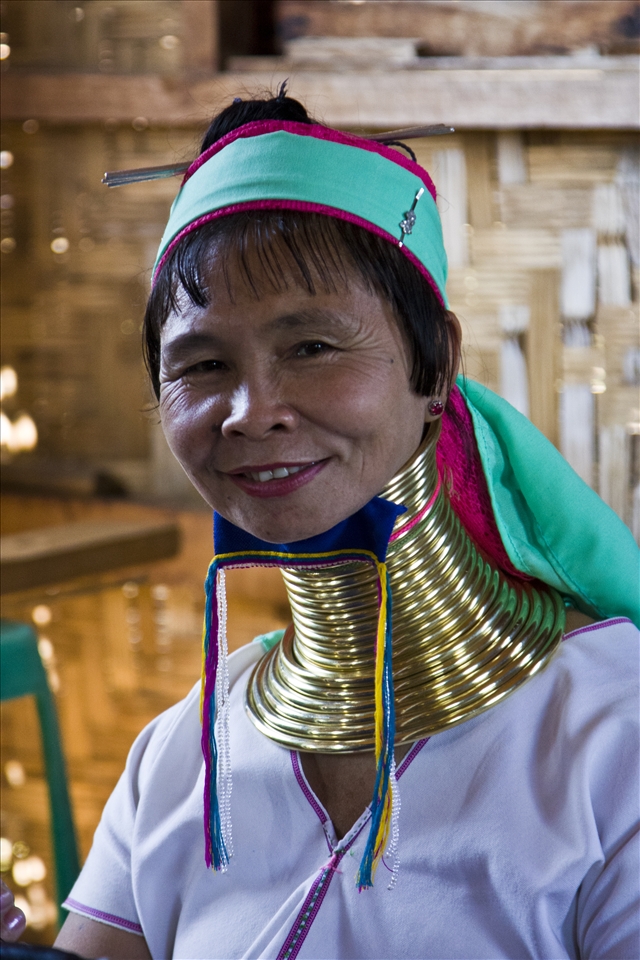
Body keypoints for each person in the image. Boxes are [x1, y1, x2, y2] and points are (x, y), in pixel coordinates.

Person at [3, 88, 636, 959]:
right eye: (203, 364)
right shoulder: (183, 755)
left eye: (311, 348)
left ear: (435, 363)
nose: (250, 412)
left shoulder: (612, 736)